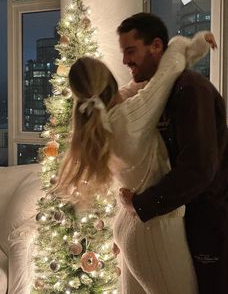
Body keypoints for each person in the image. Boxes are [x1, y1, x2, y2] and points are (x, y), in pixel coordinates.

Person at [55, 28, 215, 294]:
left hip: (133, 226)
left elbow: (135, 91)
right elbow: (164, 78)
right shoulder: (128, 118)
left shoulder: (105, 121)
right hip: (154, 232)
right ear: (108, 80)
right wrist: (188, 43)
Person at [117, 12, 228, 294]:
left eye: (131, 51)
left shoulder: (191, 91)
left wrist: (141, 204)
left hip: (209, 221)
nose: (125, 61)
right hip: (183, 218)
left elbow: (198, 169)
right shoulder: (159, 91)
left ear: (156, 46)